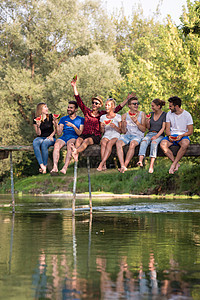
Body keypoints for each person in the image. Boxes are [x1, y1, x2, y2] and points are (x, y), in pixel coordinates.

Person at [70, 78, 134, 161]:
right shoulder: (87, 111)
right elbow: (78, 100)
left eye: (96, 103)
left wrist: (127, 99)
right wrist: (74, 86)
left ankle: (76, 151)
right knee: (78, 140)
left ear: (100, 105)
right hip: (85, 133)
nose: (94, 104)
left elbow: (117, 108)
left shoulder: (102, 114)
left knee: (86, 141)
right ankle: (76, 156)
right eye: (93, 102)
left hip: (95, 136)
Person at [160, 96, 193, 174]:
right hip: (171, 135)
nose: (169, 108)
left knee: (185, 144)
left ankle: (173, 164)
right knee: (162, 144)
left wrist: (181, 136)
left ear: (177, 106)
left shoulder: (187, 115)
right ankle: (176, 163)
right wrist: (169, 136)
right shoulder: (169, 114)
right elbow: (167, 129)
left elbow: (190, 131)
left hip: (182, 136)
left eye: (171, 106)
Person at [50, 101, 84, 175]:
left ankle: (65, 167)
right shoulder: (63, 119)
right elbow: (59, 133)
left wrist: (73, 126)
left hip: (74, 136)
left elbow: (80, 133)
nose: (69, 109)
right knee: (56, 145)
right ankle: (55, 167)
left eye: (71, 108)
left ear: (76, 109)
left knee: (70, 144)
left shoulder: (81, 119)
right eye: (68, 107)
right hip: (64, 136)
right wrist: (55, 123)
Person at [116, 96, 146, 173]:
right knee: (118, 143)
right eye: (134, 104)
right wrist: (123, 126)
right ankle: (122, 165)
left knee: (132, 144)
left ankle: (125, 166)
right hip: (127, 136)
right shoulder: (124, 116)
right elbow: (124, 131)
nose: (136, 105)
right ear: (129, 106)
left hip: (138, 136)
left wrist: (137, 122)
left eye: (137, 103)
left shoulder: (142, 114)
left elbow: (143, 130)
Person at [137, 99, 166, 173]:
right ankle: (140, 161)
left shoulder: (164, 115)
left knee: (154, 143)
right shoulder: (151, 114)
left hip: (159, 135)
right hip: (150, 133)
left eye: (153, 106)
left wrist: (156, 136)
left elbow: (163, 128)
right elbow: (148, 128)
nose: (152, 107)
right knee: (144, 141)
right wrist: (147, 122)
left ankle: (151, 166)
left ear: (158, 106)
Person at [97, 98, 122, 171]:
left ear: (113, 106)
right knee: (103, 142)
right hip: (107, 135)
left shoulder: (118, 117)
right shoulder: (102, 117)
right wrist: (102, 128)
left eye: (108, 105)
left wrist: (115, 127)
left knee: (110, 143)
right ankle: (104, 166)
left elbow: (121, 131)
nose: (106, 107)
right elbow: (102, 132)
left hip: (116, 135)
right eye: (106, 105)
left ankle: (101, 163)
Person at [33, 102, 56, 174]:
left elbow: (56, 128)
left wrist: (51, 135)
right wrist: (38, 125)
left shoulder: (51, 116)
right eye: (45, 107)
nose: (47, 108)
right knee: (35, 142)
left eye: (47, 107)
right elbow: (38, 133)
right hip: (41, 137)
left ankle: (45, 166)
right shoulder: (36, 119)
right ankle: (41, 165)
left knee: (45, 143)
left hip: (51, 138)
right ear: (40, 109)